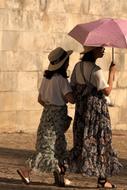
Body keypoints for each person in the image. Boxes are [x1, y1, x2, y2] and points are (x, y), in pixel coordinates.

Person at [17, 47, 74, 187]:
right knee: (52, 148)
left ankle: (59, 178)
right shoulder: (62, 80)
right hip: (58, 117)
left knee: (53, 146)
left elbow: (40, 99)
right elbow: (71, 99)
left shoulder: (46, 78)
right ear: (64, 63)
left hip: (47, 114)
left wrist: (50, 107)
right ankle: (26, 171)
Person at [69, 46, 122, 188]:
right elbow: (107, 91)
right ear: (92, 50)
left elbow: (72, 86)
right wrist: (111, 74)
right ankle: (102, 180)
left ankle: (63, 168)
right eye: (100, 47)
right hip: (97, 113)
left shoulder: (78, 67)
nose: (103, 49)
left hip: (82, 111)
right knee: (102, 142)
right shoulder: (96, 70)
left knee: (82, 142)